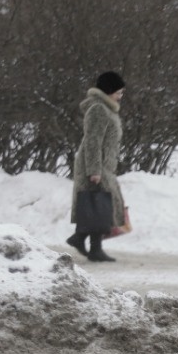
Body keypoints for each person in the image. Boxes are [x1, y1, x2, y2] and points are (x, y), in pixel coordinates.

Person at [68, 71, 126, 263]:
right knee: (98, 206)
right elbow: (93, 141)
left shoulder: (106, 109)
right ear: (108, 91)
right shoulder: (99, 110)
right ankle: (86, 242)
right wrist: (94, 170)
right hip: (94, 166)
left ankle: (91, 246)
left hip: (104, 165)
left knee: (100, 207)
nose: (120, 96)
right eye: (118, 92)